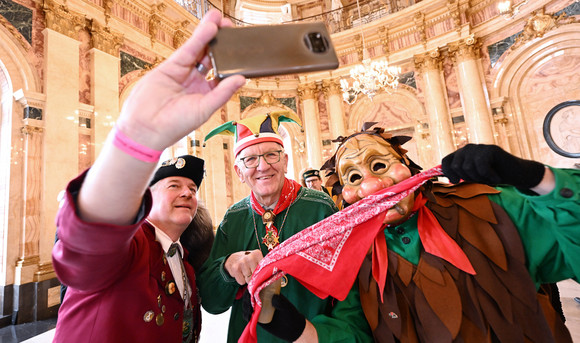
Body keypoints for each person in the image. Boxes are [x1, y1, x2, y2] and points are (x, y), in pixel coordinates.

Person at [51, 10, 246, 343]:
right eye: (174, 185)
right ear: (147, 196)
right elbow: (86, 249)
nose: (187, 192)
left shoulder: (184, 265)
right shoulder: (129, 249)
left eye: (191, 188)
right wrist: (135, 140)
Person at [319, 123, 580, 342]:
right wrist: (294, 328)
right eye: (353, 177)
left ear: (407, 165)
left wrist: (534, 177)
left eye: (379, 165)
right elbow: (353, 329)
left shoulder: (487, 205)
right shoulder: (355, 255)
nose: (373, 186)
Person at [198, 111, 373, 342]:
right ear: (239, 172)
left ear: (285, 161)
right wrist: (227, 268)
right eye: (250, 159)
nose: (262, 166)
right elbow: (212, 302)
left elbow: (347, 290)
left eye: (272, 155)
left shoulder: (319, 208)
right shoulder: (233, 218)